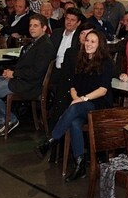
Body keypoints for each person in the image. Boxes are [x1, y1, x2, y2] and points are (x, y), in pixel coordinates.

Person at [35, 30, 114, 182]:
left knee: (74, 108)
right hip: (80, 103)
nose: (88, 44)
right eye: (87, 41)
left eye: (93, 41)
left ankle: (51, 140)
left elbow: (103, 90)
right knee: (74, 122)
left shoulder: (106, 62)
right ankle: (80, 165)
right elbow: (72, 85)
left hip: (98, 105)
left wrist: (82, 99)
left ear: (100, 45)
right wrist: (76, 98)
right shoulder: (81, 59)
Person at [0, 14, 54, 137]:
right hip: (19, 78)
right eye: (30, 25)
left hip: (28, 84)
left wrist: (14, 73)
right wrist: (10, 71)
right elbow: (23, 64)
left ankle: (9, 120)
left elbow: (36, 72)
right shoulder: (33, 43)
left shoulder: (45, 46)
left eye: (35, 26)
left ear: (44, 28)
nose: (32, 28)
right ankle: (3, 120)